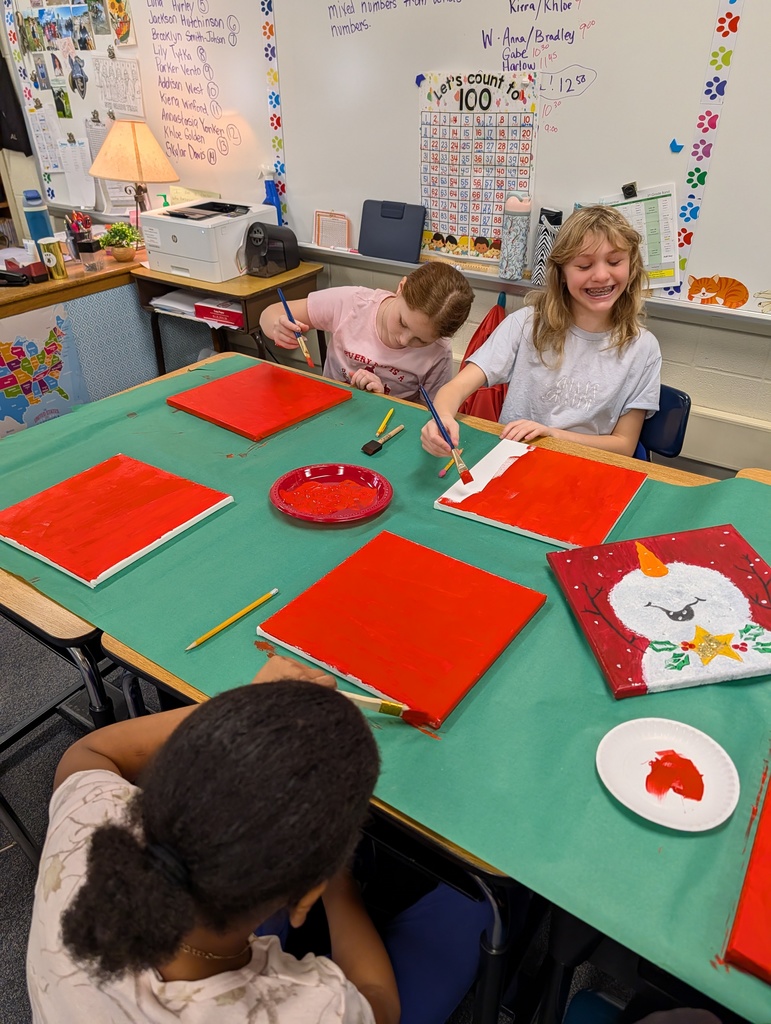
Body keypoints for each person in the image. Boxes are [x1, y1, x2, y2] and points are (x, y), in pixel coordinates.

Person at [27, 655, 491, 1024]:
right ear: (308, 892)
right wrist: (340, 884)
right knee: (473, 908)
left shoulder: (88, 835)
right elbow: (379, 1006)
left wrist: (239, 711)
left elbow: (88, 753)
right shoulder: (308, 1012)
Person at [421, 205, 661, 459]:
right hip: (515, 460)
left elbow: (624, 445)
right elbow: (454, 389)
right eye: (583, 266)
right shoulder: (526, 324)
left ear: (631, 266)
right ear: (562, 274)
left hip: (587, 468)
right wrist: (443, 418)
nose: (601, 275)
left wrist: (553, 436)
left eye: (614, 262)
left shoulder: (643, 348)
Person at [259, 261, 474, 402]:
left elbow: (430, 417)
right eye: (403, 323)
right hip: (329, 411)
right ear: (401, 288)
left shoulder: (438, 351)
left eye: (421, 340)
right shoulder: (352, 303)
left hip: (387, 433)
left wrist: (382, 403)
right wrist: (277, 326)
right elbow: (270, 312)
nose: (404, 339)